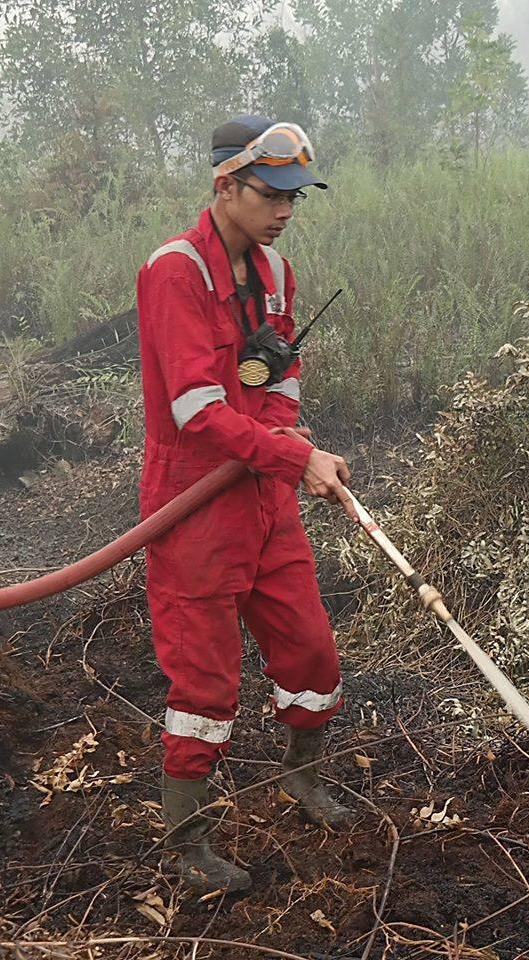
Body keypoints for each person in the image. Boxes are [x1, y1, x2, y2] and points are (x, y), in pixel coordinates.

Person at [136, 114, 359, 894]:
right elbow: (199, 409)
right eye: (272, 194)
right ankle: (187, 839)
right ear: (224, 185)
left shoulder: (276, 273)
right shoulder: (174, 271)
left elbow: (279, 381)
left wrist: (285, 450)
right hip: (192, 504)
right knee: (204, 682)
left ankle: (303, 776)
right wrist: (297, 458)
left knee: (311, 651)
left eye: (297, 196)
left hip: (262, 494)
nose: (286, 210)